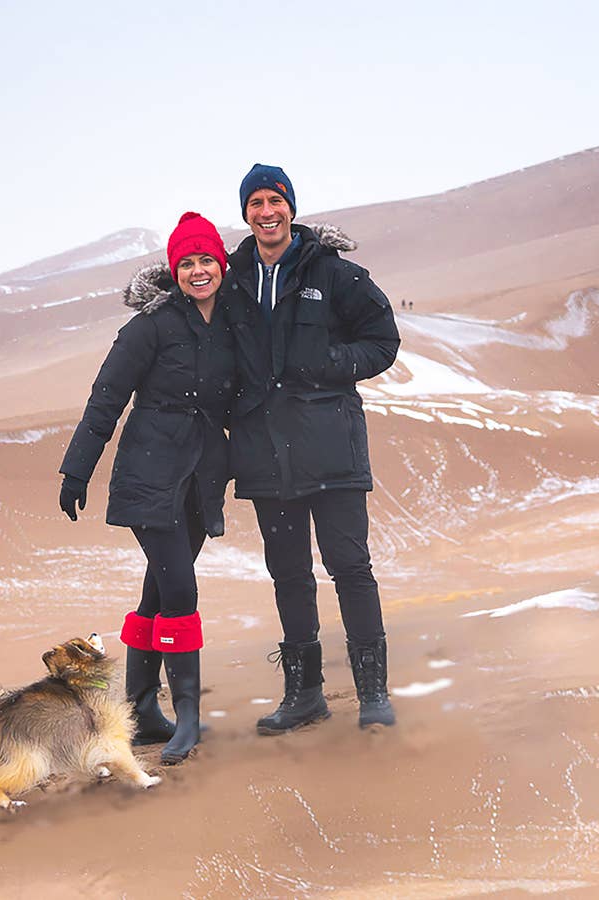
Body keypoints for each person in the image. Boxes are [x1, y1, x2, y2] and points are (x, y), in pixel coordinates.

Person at [219, 164, 401, 731]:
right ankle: (305, 694)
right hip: (265, 455)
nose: (266, 212)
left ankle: (373, 693)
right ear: (245, 213)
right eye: (255, 203)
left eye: (275, 200)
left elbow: (383, 340)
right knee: (289, 574)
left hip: (331, 449)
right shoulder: (230, 279)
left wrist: (330, 365)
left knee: (351, 567)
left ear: (291, 208)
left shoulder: (335, 273)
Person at [58, 211, 237, 765]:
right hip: (149, 474)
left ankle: (138, 710)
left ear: (222, 265)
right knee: (180, 589)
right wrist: (76, 470)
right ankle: (185, 716)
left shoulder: (234, 322)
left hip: (201, 476)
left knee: (159, 592)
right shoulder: (149, 328)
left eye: (207, 259)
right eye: (187, 263)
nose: (198, 270)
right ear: (173, 271)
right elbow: (106, 397)